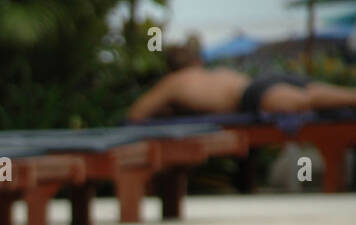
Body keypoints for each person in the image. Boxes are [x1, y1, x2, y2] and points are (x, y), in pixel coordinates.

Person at [127, 39, 356, 121]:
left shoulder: (172, 82)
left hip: (251, 96)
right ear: (197, 61)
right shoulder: (208, 74)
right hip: (260, 81)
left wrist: (170, 108)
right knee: (312, 89)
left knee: (304, 100)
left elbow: (136, 114)